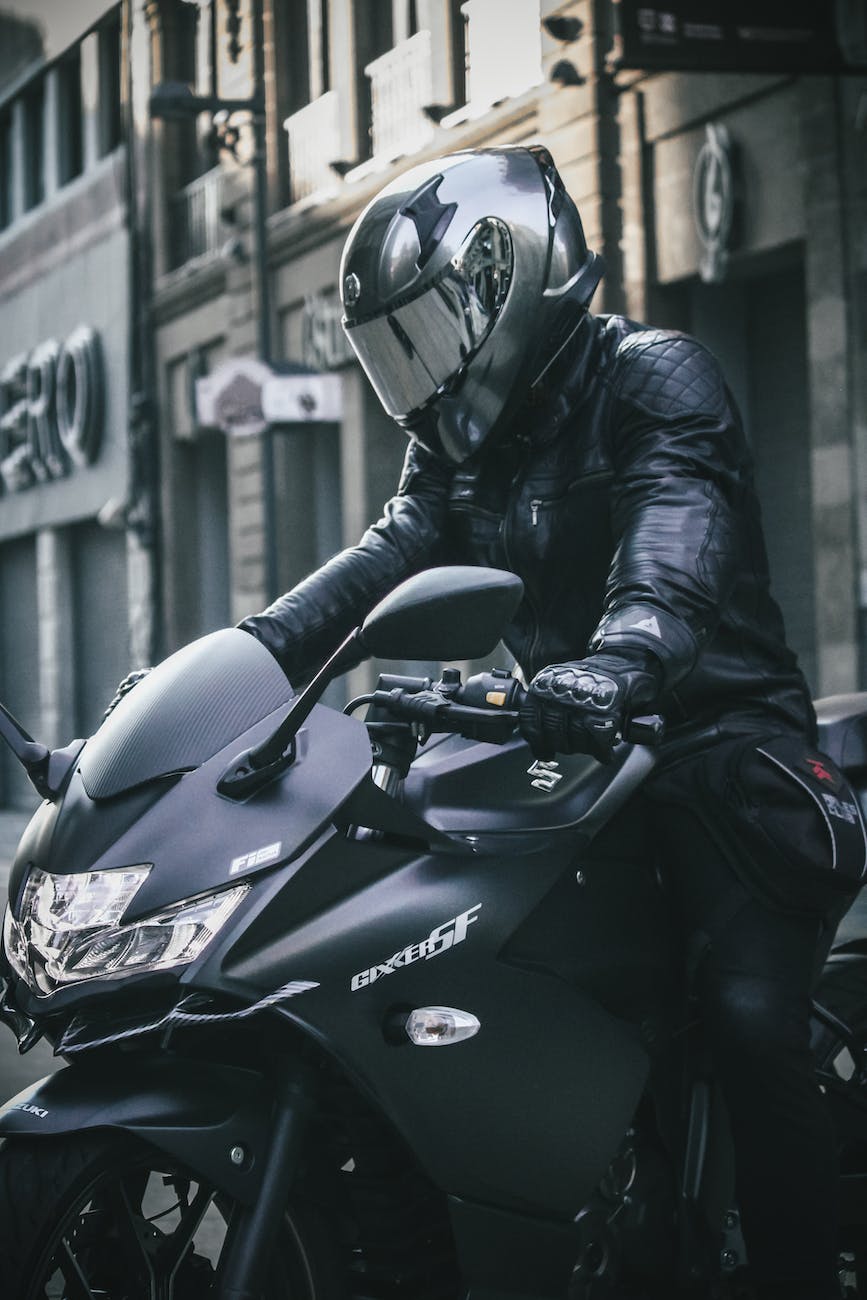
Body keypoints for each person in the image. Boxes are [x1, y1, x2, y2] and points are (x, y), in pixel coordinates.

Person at [239, 145, 865, 1298]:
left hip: (714, 739)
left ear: (510, 283)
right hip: (564, 749)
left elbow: (672, 546)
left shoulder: (656, 376)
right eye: (396, 353)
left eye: (428, 338)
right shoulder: (458, 444)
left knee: (742, 1015)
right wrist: (247, 657)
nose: (417, 380)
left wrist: (619, 662)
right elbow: (386, 559)